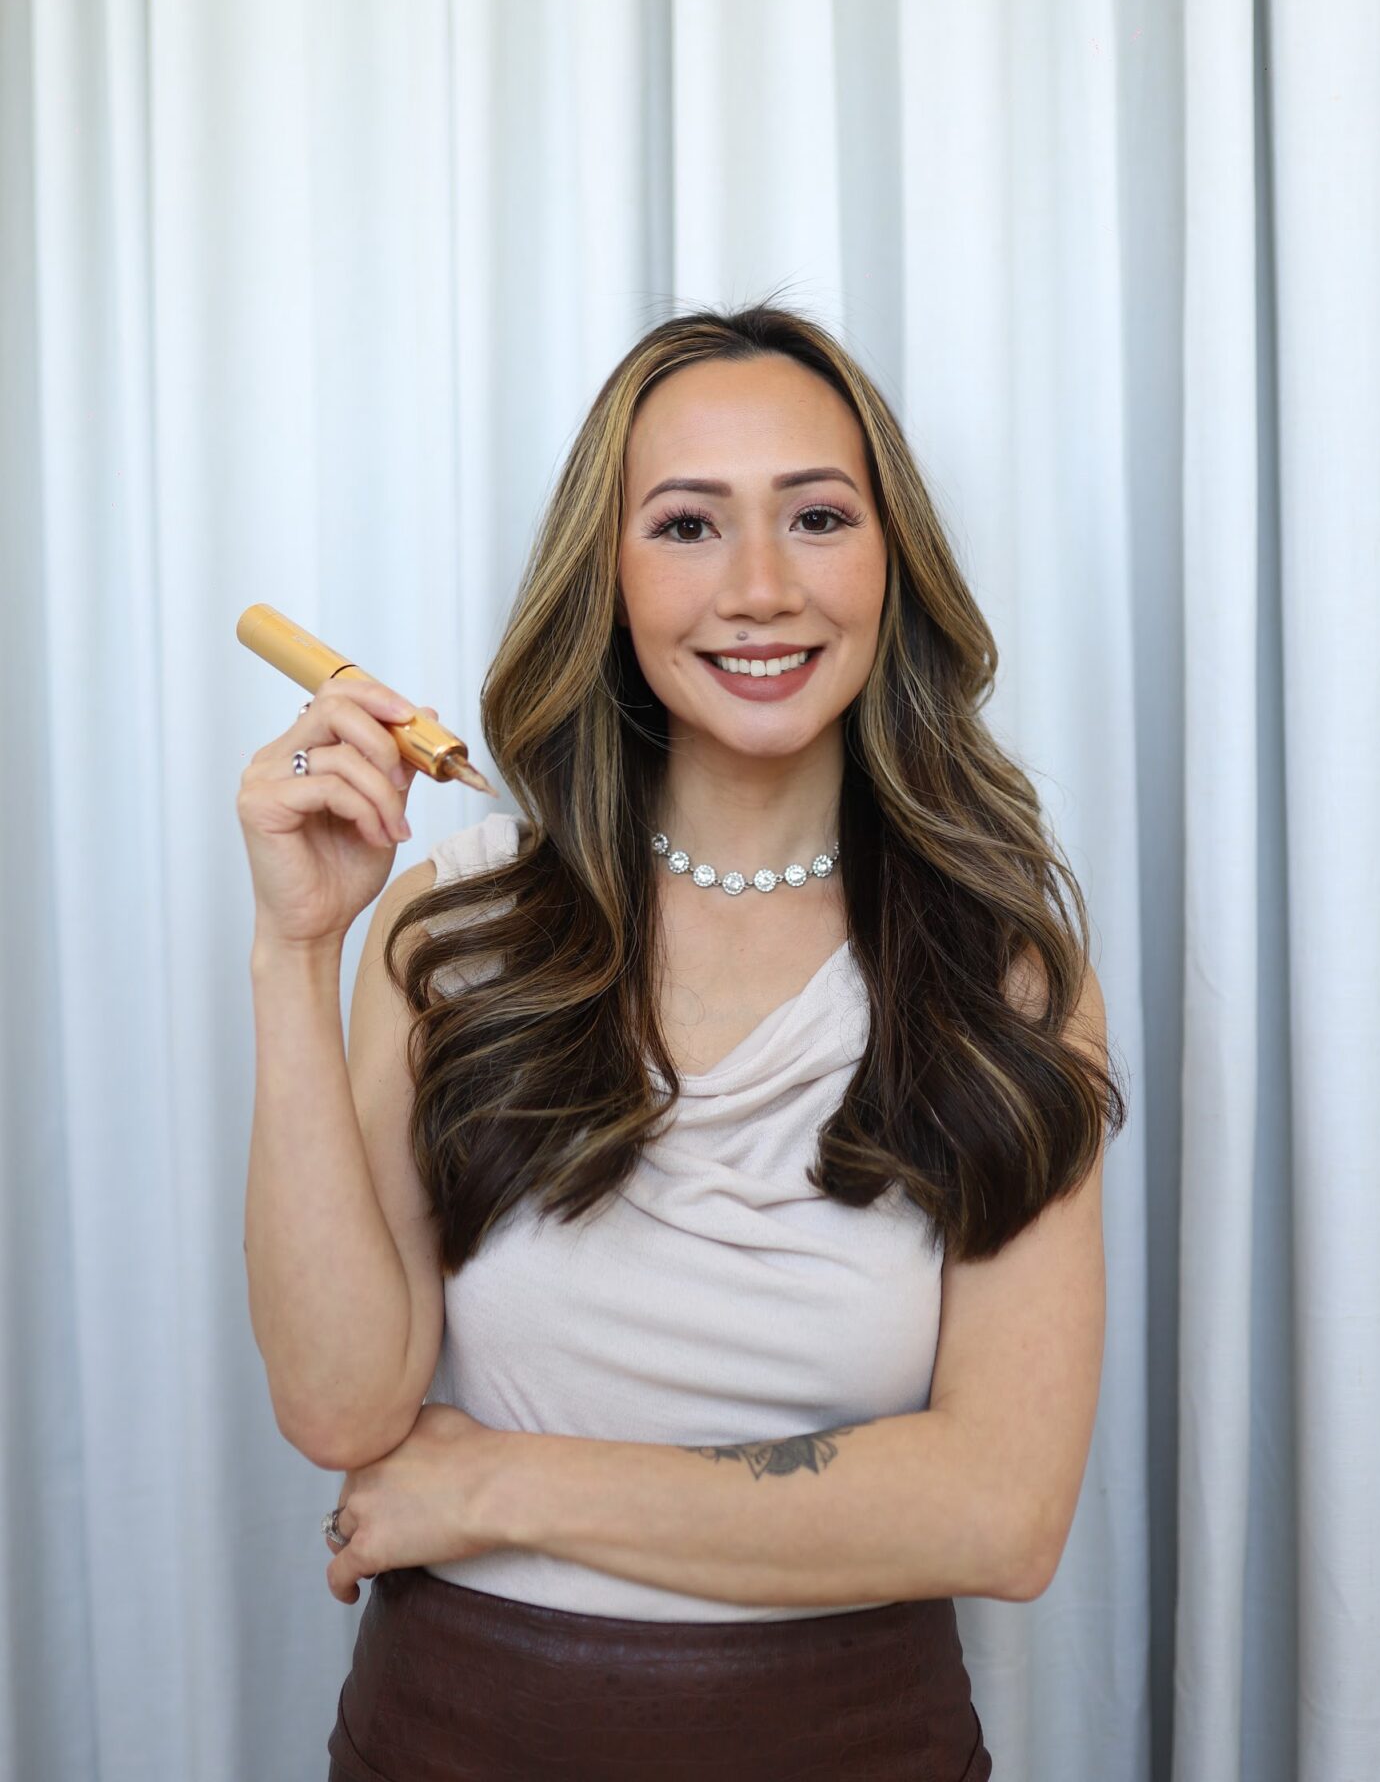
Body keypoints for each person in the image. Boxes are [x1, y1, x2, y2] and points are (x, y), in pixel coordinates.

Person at [238, 300, 1124, 1780]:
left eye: (817, 517)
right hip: (447, 1735)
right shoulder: (450, 928)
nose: (760, 587)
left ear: (891, 567)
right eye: (688, 526)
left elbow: (998, 1514)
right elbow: (341, 1405)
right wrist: (295, 951)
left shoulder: (1003, 978)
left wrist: (501, 1484)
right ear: (610, 578)